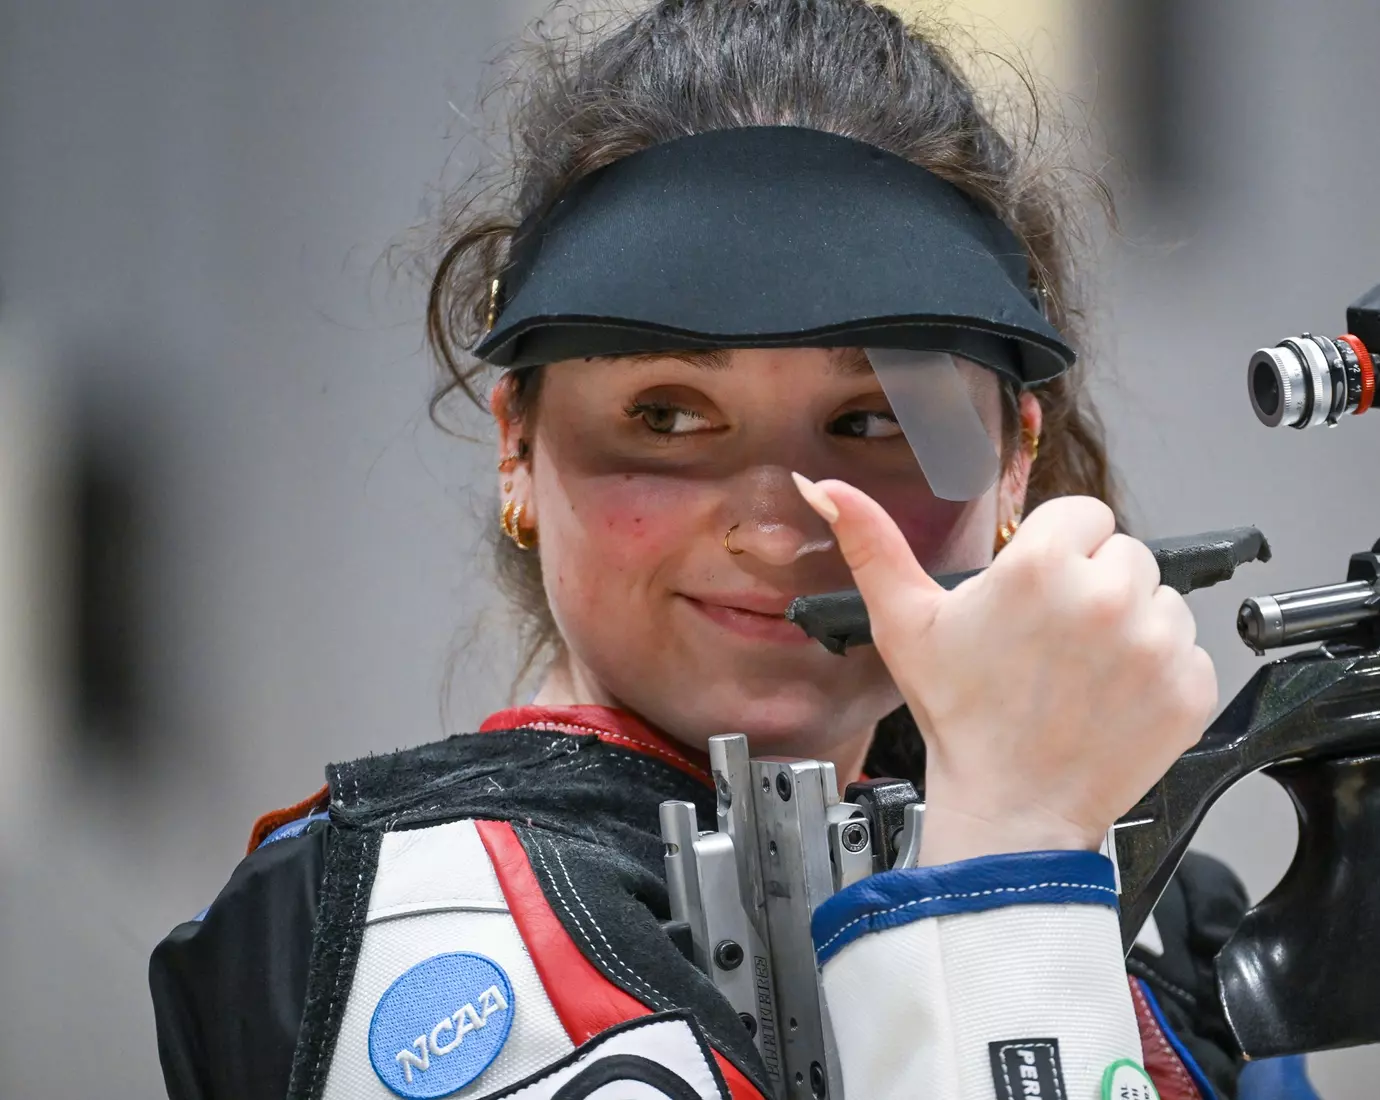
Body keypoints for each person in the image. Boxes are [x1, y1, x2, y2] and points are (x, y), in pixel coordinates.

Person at [145, 3, 1246, 1099]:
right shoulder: (367, 919)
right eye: (666, 415)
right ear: (517, 445)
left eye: (876, 423)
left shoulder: (1173, 924)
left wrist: (1025, 845)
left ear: (1015, 465)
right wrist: (1007, 867)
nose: (775, 531)